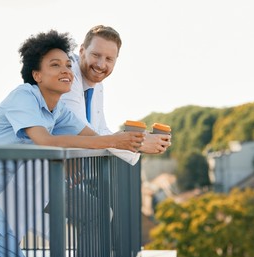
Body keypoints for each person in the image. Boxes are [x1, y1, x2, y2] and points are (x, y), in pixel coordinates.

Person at [0, 29, 144, 257]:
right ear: (37, 75)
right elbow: (45, 141)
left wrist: (139, 141)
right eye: (55, 65)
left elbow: (93, 136)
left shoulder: (60, 111)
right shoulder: (23, 96)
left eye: (67, 65)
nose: (66, 70)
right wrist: (114, 140)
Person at [60, 25, 171, 159]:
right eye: (96, 55)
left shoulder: (98, 84)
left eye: (109, 59)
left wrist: (135, 137)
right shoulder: (67, 75)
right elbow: (77, 130)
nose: (101, 65)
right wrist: (136, 143)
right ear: (82, 50)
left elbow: (100, 130)